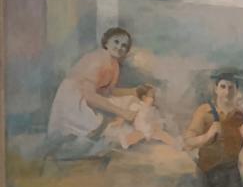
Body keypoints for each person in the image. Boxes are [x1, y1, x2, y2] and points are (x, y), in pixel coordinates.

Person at [47, 27, 136, 157]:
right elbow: (90, 97)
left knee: (114, 127)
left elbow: (108, 92)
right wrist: (121, 112)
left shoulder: (114, 65)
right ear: (106, 42)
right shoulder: (98, 60)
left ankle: (82, 150)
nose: (119, 47)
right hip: (72, 98)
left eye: (124, 45)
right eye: (116, 42)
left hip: (89, 97)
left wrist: (133, 91)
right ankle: (68, 152)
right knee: (98, 127)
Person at [104, 85, 180, 151]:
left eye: (153, 96)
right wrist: (120, 120)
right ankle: (125, 141)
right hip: (140, 128)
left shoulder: (152, 108)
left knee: (162, 134)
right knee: (137, 135)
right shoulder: (137, 106)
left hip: (150, 127)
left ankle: (175, 144)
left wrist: (156, 124)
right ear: (144, 97)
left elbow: (154, 118)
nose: (153, 98)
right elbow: (127, 113)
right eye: (151, 96)